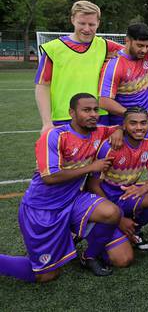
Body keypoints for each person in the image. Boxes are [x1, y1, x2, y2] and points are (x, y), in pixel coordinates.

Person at [0, 93, 131, 282]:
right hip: (43, 210)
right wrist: (92, 167)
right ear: (72, 112)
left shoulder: (99, 132)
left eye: (95, 109)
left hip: (73, 200)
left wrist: (119, 129)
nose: (93, 114)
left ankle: (89, 256)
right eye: (86, 110)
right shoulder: (54, 136)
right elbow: (49, 177)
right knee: (46, 275)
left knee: (112, 213)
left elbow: (123, 126)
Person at [87, 107, 148, 251]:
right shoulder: (110, 146)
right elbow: (93, 185)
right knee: (123, 260)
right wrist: (118, 218)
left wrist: (142, 189)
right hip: (105, 199)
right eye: (133, 123)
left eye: (143, 123)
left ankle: (133, 230)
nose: (139, 128)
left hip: (127, 194)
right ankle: (112, 228)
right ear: (124, 126)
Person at [35, 1, 124, 132]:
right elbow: (42, 85)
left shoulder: (106, 46)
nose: (87, 29)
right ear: (72, 20)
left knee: (101, 153)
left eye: (92, 24)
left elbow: (135, 49)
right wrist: (47, 122)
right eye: (82, 23)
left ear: (98, 23)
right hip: (65, 118)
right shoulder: (54, 48)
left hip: (99, 117)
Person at [98, 23, 148, 142]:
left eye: (147, 46)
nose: (144, 50)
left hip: (146, 126)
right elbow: (103, 101)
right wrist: (135, 115)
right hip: (122, 128)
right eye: (140, 45)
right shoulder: (114, 65)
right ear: (127, 40)